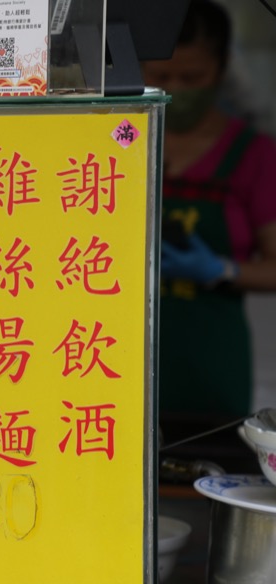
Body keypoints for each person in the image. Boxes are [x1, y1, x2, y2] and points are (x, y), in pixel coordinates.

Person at [143, 0, 276, 440]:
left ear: (221, 69)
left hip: (208, 374)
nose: (176, 89)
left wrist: (222, 269)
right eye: (160, 77)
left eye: (192, 78)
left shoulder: (254, 157)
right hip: (111, 366)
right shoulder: (118, 142)